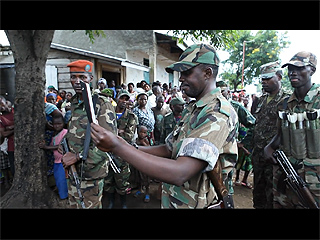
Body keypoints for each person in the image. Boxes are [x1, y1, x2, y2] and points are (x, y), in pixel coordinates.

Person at [90, 44, 238, 208]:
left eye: (187, 72)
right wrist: (125, 145)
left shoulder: (217, 113)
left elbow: (180, 172)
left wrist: (118, 147)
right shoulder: (194, 109)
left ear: (207, 73)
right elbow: (169, 149)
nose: (181, 78)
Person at [264, 51, 320, 208]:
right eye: (290, 68)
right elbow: (280, 135)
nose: (293, 72)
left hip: (313, 181)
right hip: (286, 177)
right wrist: (269, 148)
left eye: (299, 68)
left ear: (312, 70)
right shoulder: (285, 104)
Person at [61, 60, 117, 209]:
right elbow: (74, 130)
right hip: (73, 172)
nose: (77, 81)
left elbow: (109, 144)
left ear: (90, 79)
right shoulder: (74, 102)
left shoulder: (101, 104)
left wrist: (77, 156)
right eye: (73, 77)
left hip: (91, 173)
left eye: (82, 77)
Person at [251, 61, 290, 209]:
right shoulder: (260, 100)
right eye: (262, 79)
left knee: (273, 197)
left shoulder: (287, 100)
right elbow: (255, 125)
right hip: (259, 157)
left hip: (275, 158)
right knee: (258, 195)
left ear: (279, 77)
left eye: (268, 78)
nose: (264, 82)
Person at [216, 80, 256, 194]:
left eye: (223, 91)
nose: (221, 94)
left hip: (227, 154)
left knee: (226, 185)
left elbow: (253, 124)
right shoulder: (209, 107)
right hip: (211, 151)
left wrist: (243, 142)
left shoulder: (235, 107)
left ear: (228, 92)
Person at [104, 91, 138, 209]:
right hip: (107, 154)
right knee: (108, 181)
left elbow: (129, 136)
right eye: (121, 99)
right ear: (117, 99)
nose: (124, 101)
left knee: (122, 181)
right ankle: (111, 202)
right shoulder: (108, 113)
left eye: (126, 99)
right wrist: (119, 132)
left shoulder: (131, 116)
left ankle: (123, 204)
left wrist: (112, 134)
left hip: (122, 155)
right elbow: (103, 132)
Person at [39, 114, 68, 200]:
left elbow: (61, 145)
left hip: (63, 162)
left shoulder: (65, 132)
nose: (57, 126)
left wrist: (46, 147)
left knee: (62, 180)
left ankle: (64, 197)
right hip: (56, 161)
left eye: (59, 123)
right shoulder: (54, 134)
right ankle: (62, 194)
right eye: (55, 124)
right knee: (58, 179)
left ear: (63, 123)